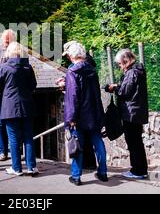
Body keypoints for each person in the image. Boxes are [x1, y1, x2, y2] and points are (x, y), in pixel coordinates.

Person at [63, 41, 108, 186]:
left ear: (71, 56)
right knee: (98, 142)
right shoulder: (92, 70)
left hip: (79, 114)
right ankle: (103, 172)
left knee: (77, 144)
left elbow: (73, 97)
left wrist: (71, 118)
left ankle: (76, 176)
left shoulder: (72, 71)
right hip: (94, 112)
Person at [0, 42, 38, 176]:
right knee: (28, 137)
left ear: (9, 53)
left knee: (13, 138)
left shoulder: (4, 67)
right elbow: (33, 85)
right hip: (27, 106)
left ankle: (16, 168)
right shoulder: (28, 67)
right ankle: (31, 167)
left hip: (10, 107)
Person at [105, 49, 149, 179]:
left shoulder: (132, 72)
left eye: (119, 63)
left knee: (133, 142)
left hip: (131, 113)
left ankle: (138, 171)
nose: (119, 66)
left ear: (125, 61)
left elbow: (124, 91)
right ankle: (140, 169)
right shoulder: (137, 71)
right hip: (136, 111)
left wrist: (113, 88)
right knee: (136, 142)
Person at [56, 40, 97, 171]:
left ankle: (77, 172)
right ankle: (98, 168)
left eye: (67, 54)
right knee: (93, 139)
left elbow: (75, 92)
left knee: (79, 139)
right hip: (91, 107)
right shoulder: (89, 65)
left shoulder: (76, 67)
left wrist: (71, 117)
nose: (67, 57)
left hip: (80, 109)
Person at [0, 29, 16, 161]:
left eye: (8, 40)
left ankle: (14, 151)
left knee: (11, 123)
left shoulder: (18, 53)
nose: (6, 43)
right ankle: (3, 151)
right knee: (1, 123)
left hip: (11, 94)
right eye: (5, 40)